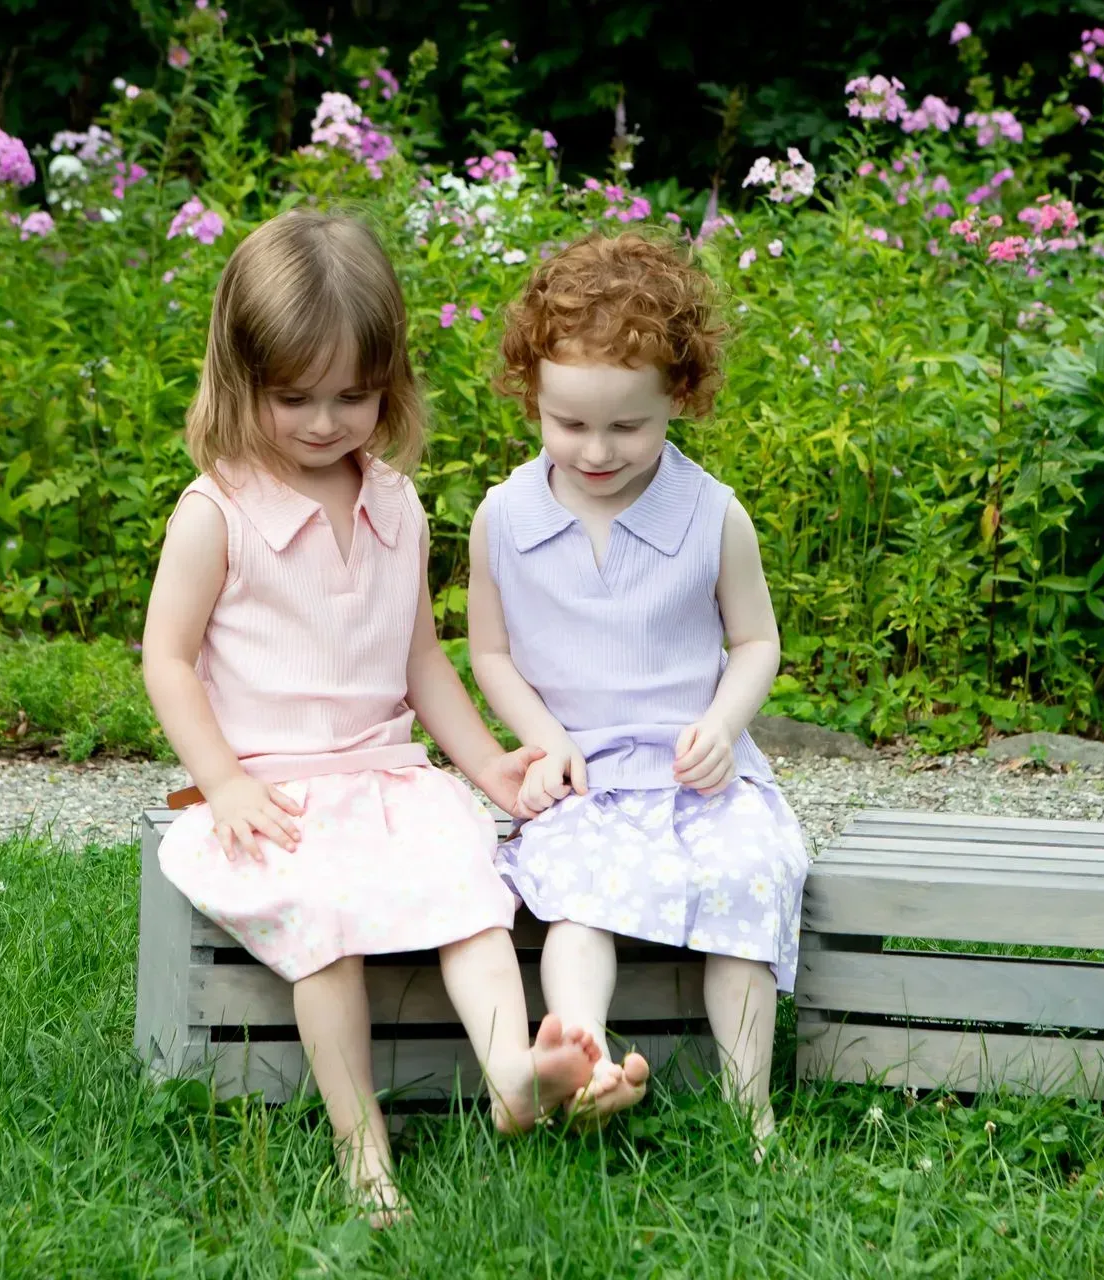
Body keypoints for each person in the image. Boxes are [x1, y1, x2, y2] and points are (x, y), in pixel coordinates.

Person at [142, 210, 600, 1223]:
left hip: (384, 778)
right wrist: (222, 778)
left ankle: (513, 1075)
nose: (323, 422)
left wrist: (487, 767)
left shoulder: (395, 504)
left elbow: (418, 657)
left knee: (471, 889)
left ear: (388, 385)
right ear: (239, 378)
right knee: (326, 923)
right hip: (273, 786)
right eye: (294, 397)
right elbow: (168, 659)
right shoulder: (215, 512)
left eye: (352, 396)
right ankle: (363, 1149)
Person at [469, 231, 809, 1150]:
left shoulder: (711, 515)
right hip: (583, 773)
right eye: (569, 423)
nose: (596, 450)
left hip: (696, 765)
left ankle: (751, 1105)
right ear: (530, 393)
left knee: (749, 875)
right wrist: (546, 738)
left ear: (680, 399)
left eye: (629, 426)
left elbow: (756, 641)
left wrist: (721, 723)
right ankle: (580, 1060)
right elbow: (490, 652)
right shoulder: (505, 519)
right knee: (578, 893)